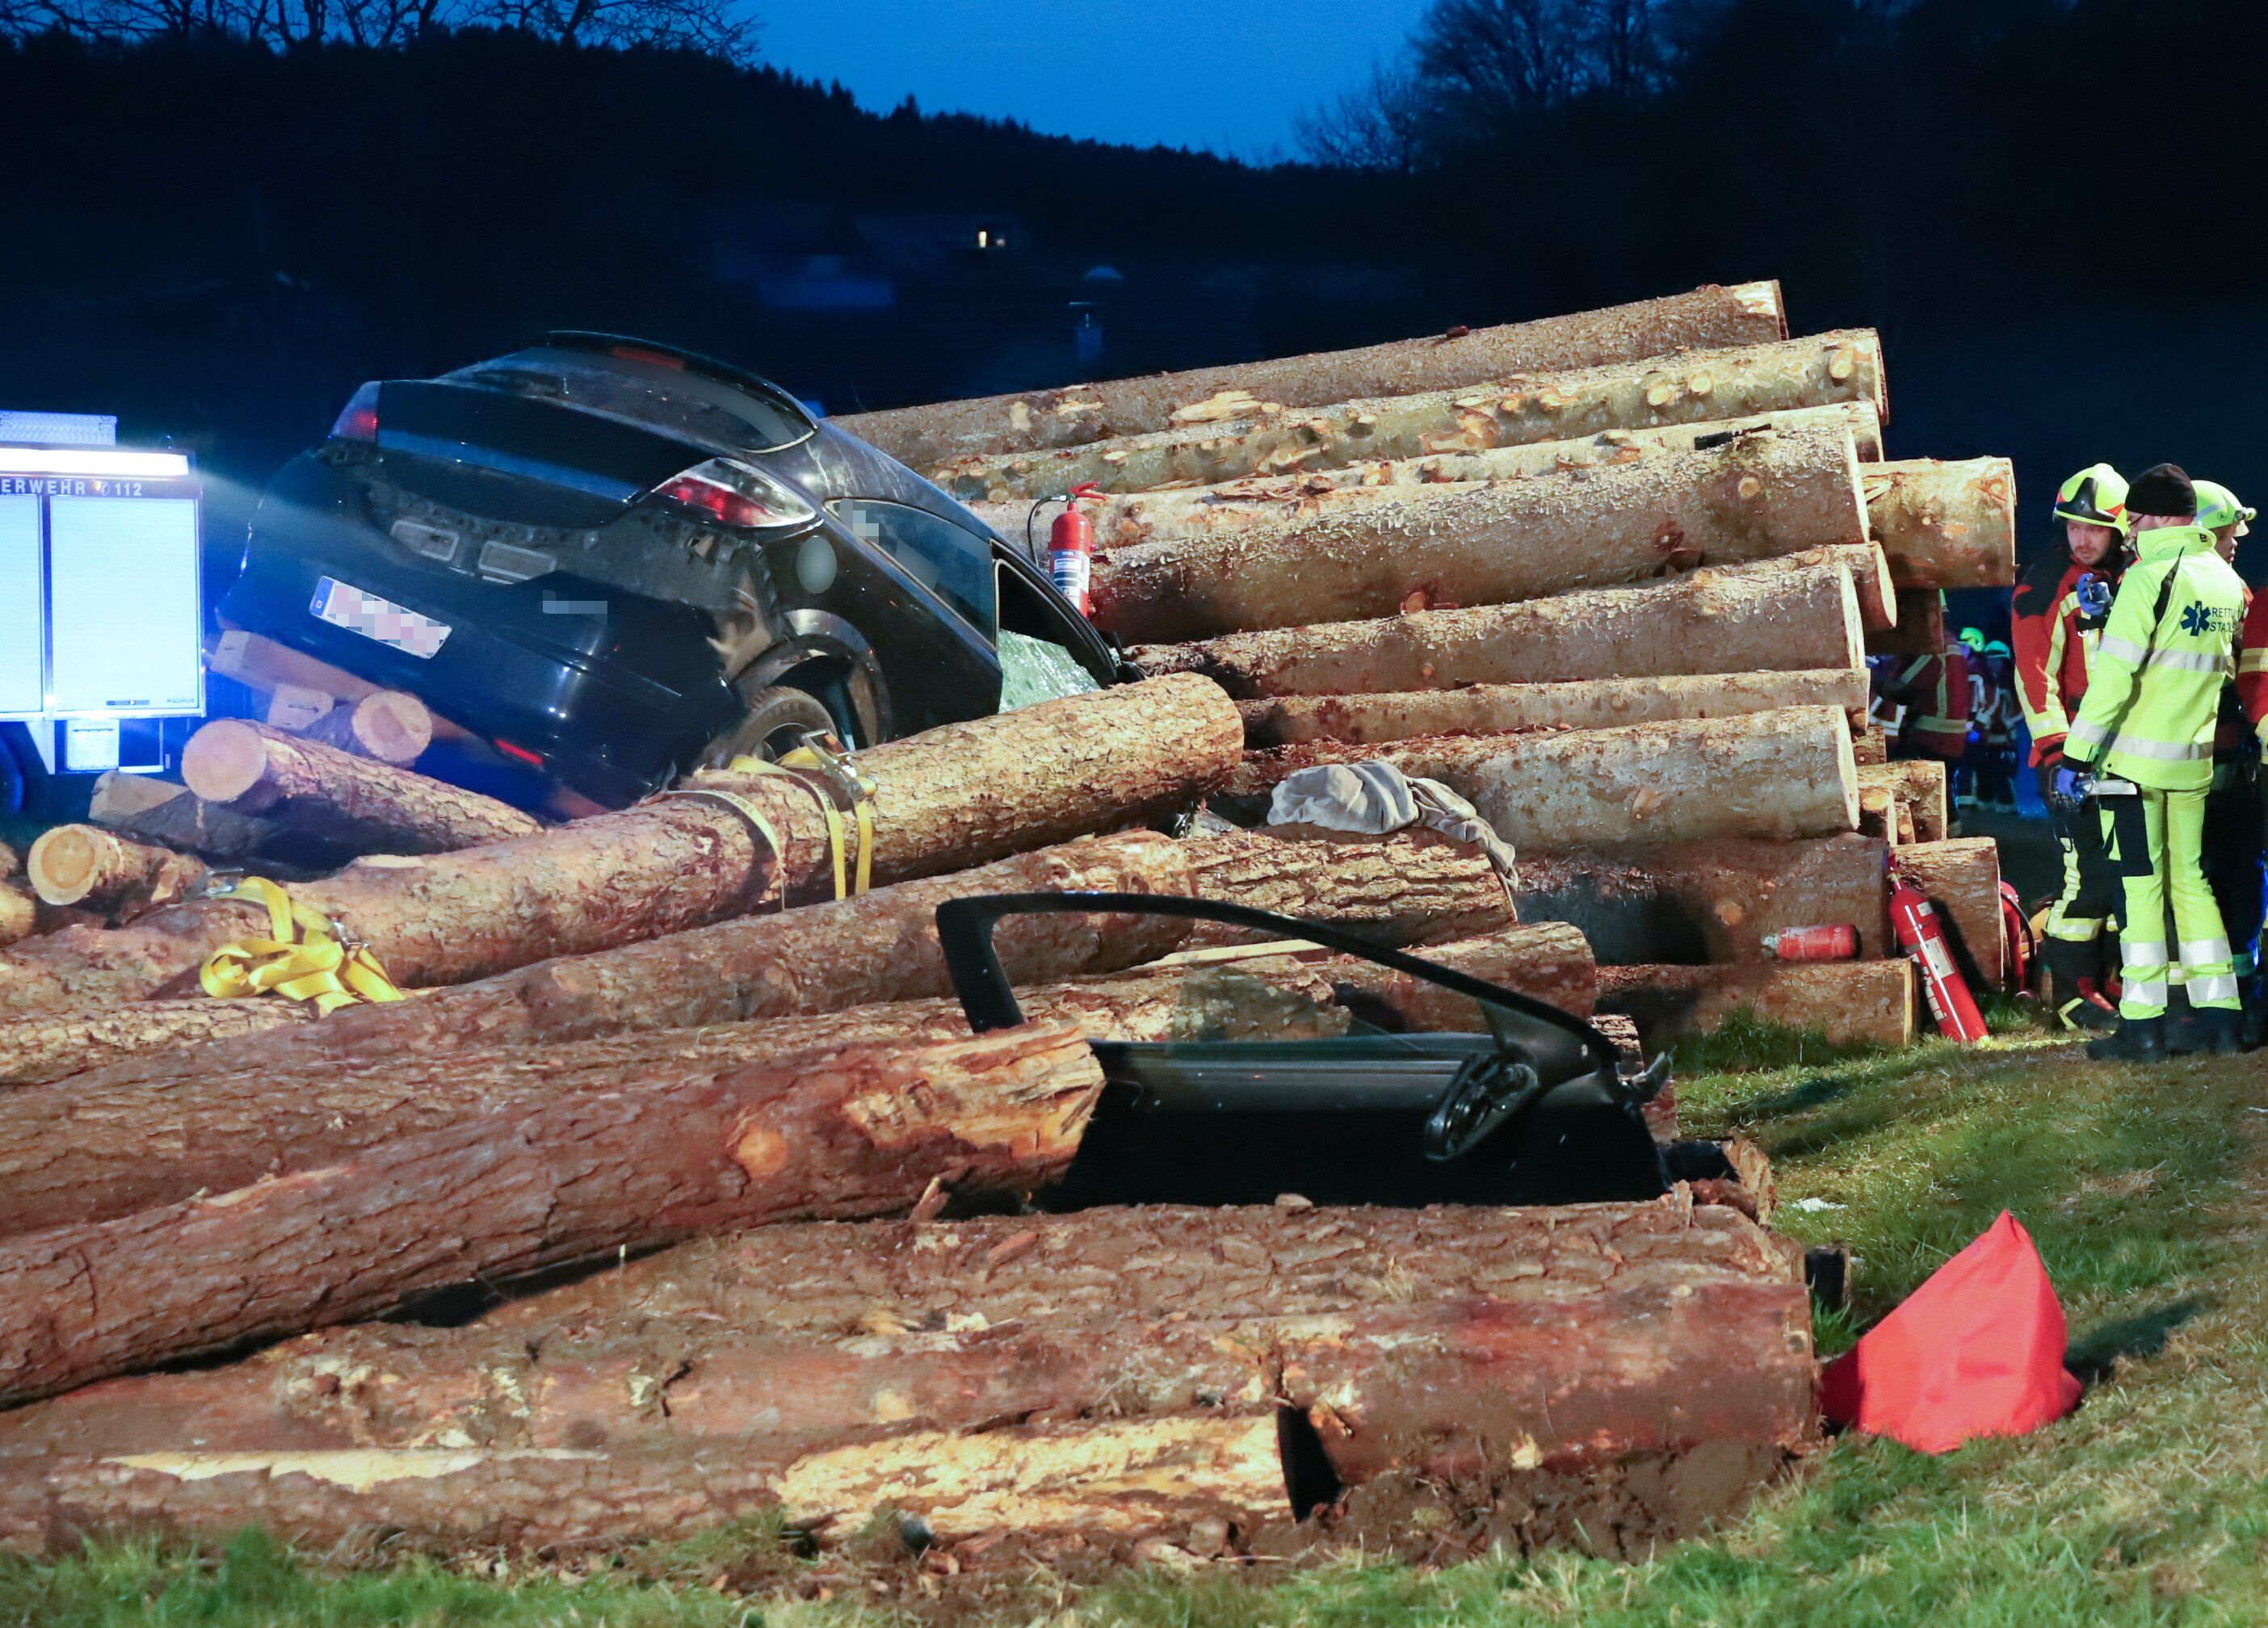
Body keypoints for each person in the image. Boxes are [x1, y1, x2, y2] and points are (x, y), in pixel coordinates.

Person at [2059, 464, 2249, 1059]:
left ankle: (2141, 1027)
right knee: (2193, 884)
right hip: (2191, 764)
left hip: (2131, 771)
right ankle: (2221, 1018)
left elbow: (2113, 682)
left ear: (2159, 517)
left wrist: (2075, 756)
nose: (2130, 534)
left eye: (2134, 521)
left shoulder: (2147, 579)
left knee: (2140, 889)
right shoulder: (2221, 580)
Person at [2012, 463, 2132, 1030]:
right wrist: (2061, 755)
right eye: (2073, 526)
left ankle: (2107, 978)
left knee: (2122, 870)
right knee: (2085, 874)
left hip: (2126, 753)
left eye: (2095, 528)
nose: (2082, 539)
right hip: (2072, 759)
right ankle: (2068, 991)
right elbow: (2034, 679)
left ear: (2120, 529)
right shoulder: (2045, 584)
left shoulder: (2133, 576)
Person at [2196, 480, 2265, 1045]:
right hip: (2199, 763)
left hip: (2231, 761)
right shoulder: (2221, 594)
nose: (2236, 540)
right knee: (2215, 879)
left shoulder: (2240, 592)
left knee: (2235, 878)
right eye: (2227, 530)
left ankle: (2236, 998)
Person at [1975, 639, 2022, 811]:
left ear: (2005, 662)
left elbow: (2021, 710)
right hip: (1986, 739)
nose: (1993, 664)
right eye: (1990, 660)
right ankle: (1985, 804)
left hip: (2006, 739)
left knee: (2004, 774)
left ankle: (2007, 807)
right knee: (1985, 773)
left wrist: (2005, 723)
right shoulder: (1985, 682)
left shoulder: (2013, 684)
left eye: (1997, 660)